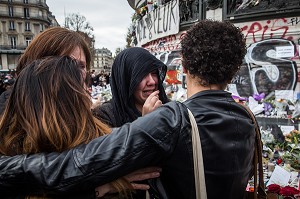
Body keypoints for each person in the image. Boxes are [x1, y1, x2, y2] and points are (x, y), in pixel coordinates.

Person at [0, 20, 254, 199]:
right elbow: (73, 166)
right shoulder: (245, 116)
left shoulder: (170, 117)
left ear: (184, 67)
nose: (77, 76)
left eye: (81, 67)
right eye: (68, 65)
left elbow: (75, 166)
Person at [0, 56, 160, 198]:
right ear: (59, 103)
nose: (87, 94)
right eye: (80, 86)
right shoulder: (14, 166)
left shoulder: (94, 137)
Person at [92, 47, 169, 127]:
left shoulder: (169, 109)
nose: (152, 82)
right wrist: (146, 123)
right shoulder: (103, 117)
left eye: (154, 73)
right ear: (126, 80)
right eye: (142, 75)